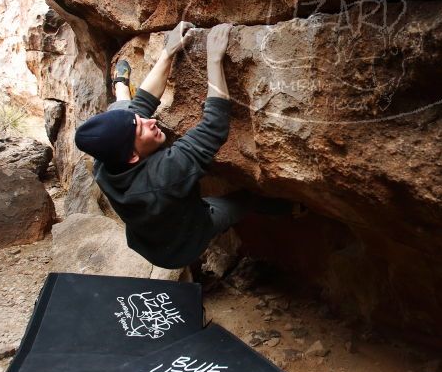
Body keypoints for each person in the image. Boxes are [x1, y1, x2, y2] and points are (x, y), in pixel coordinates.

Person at [74, 21, 297, 269]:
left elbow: (142, 106)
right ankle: (292, 208)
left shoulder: (106, 161)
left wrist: (168, 51)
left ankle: (120, 87)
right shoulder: (163, 178)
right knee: (245, 201)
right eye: (140, 128)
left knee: (123, 108)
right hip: (180, 247)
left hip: (148, 232)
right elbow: (214, 127)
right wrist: (214, 60)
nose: (152, 121)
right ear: (133, 157)